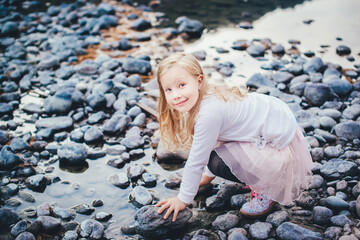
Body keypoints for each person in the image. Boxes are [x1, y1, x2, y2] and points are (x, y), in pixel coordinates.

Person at [154, 52, 313, 222]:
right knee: (217, 155)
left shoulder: (209, 113)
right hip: (273, 122)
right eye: (168, 89)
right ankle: (259, 172)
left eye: (182, 85)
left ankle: (267, 187)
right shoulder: (204, 96)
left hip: (277, 140)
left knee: (216, 162)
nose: (175, 95)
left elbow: (197, 159)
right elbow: (217, 140)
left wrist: (183, 198)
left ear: (199, 81)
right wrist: (206, 177)